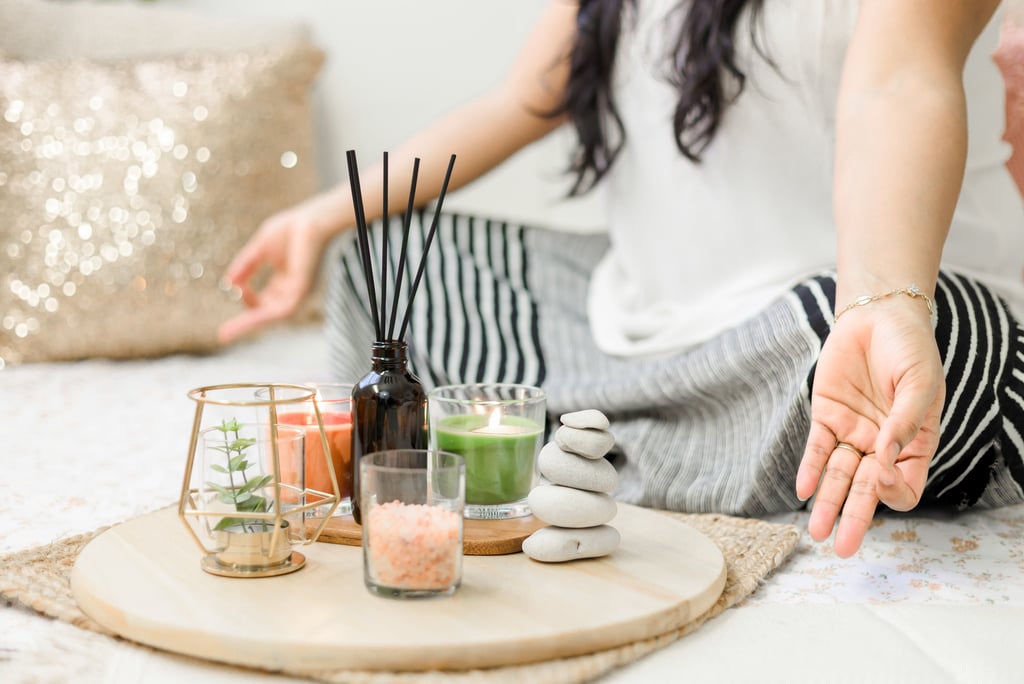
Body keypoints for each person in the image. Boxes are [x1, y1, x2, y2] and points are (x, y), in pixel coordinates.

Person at [219, 0, 1024, 557]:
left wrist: (882, 300)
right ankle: (657, 443)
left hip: (848, 319)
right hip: (639, 329)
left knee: (941, 352)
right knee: (385, 260)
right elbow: (523, 100)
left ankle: (588, 445)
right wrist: (321, 218)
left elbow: (898, 81)